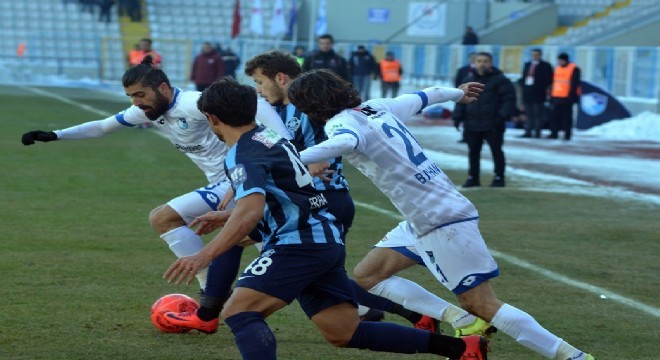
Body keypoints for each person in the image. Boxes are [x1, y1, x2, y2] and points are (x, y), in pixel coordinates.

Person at [163, 77, 488, 360]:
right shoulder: (269, 138)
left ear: (211, 118)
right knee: (343, 332)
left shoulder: (244, 153)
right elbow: (283, 195)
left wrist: (204, 254)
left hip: (298, 246)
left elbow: (251, 210)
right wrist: (225, 215)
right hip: (321, 240)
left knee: (240, 311)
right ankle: (464, 349)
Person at [288, 69, 596, 360]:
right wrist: (457, 93)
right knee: (369, 274)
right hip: (425, 216)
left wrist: (289, 158)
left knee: (482, 303)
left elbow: (346, 141)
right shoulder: (376, 106)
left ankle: (573, 356)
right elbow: (426, 95)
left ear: (312, 105)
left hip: (440, 220)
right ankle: (461, 320)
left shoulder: (340, 124)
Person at [20, 56, 288, 293]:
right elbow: (103, 126)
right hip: (226, 185)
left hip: (236, 180)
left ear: (162, 88)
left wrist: (286, 143)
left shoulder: (193, 103)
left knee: (164, 217)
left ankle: (212, 291)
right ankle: (224, 291)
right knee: (278, 249)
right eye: (132, 98)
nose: (137, 103)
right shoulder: (148, 110)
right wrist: (56, 135)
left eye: (140, 95)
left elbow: (255, 103)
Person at [453, 52, 516, 188]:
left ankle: (499, 178)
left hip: (493, 123)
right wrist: (457, 117)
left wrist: (502, 116)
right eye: (479, 61)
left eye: (485, 61)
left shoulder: (501, 80)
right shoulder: (467, 80)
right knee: (473, 152)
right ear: (474, 63)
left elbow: (509, 100)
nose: (482, 64)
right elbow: (460, 100)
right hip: (472, 122)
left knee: (496, 151)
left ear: (491, 63)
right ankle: (473, 177)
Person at [519, 48, 553, 138]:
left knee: (538, 114)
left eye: (536, 55)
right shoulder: (527, 64)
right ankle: (528, 131)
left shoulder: (545, 66)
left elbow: (548, 80)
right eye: (533, 55)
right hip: (527, 93)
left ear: (540, 55)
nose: (534, 56)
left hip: (538, 94)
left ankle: (537, 132)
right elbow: (523, 77)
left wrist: (538, 86)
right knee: (528, 113)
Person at [549, 52, 581, 140]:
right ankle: (554, 133)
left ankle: (567, 134)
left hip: (567, 97)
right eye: (559, 60)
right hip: (556, 96)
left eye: (561, 60)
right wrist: (552, 96)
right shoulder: (557, 68)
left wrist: (572, 97)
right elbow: (554, 83)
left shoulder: (574, 69)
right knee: (555, 117)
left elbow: (575, 84)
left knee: (566, 117)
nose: (560, 62)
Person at [454, 52, 477, 143]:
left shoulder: (483, 70)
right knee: (466, 116)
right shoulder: (462, 70)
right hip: (464, 95)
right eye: (472, 58)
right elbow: (457, 82)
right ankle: (466, 137)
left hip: (477, 96)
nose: (474, 60)